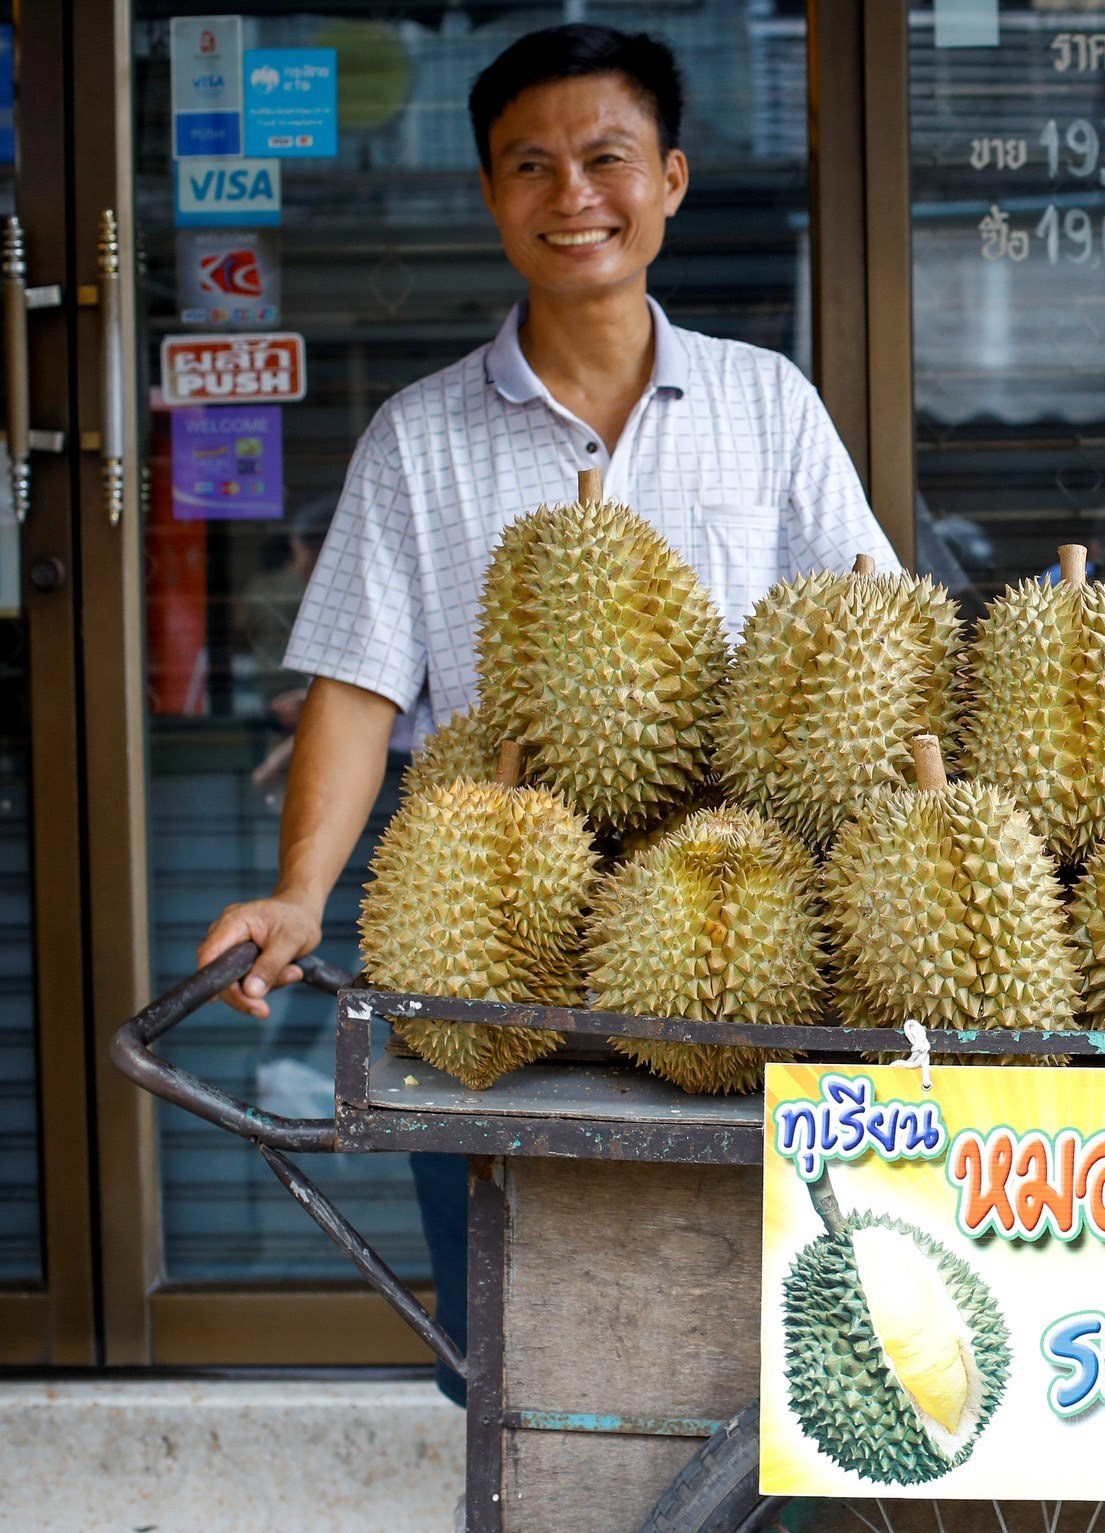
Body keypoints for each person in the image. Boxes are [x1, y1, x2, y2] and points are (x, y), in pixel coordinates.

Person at [192, 24, 896, 1403]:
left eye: (606, 158)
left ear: (672, 180)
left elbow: (872, 632)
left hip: (731, 936)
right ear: (491, 196)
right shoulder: (420, 437)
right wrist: (299, 894)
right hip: (494, 952)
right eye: (532, 166)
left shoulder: (770, 407)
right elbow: (357, 681)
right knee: (527, 1369)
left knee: (756, 1365)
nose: (574, 194)